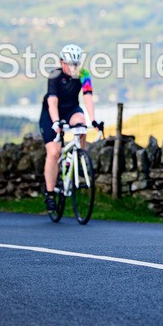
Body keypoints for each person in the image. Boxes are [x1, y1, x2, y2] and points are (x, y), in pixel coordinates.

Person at [40, 44, 104, 212]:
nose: (75, 67)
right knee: (54, 152)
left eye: (77, 64)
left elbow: (88, 97)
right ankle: (49, 194)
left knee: (81, 124)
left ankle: (79, 158)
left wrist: (94, 120)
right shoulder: (55, 75)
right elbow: (52, 101)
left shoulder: (83, 74)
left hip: (71, 110)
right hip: (51, 114)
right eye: (71, 64)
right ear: (62, 62)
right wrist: (55, 122)